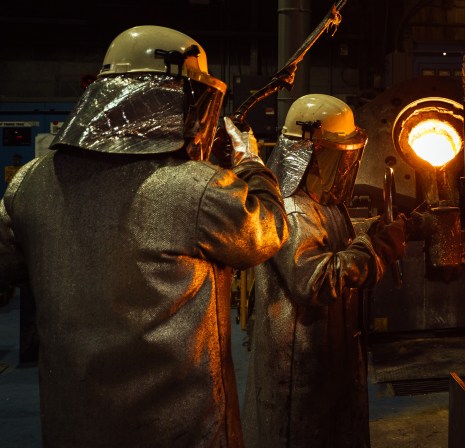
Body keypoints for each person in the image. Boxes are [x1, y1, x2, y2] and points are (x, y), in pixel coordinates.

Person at [0, 25, 288, 447]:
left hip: (72, 430)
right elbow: (267, 231)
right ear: (180, 98)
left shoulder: (29, 182)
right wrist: (251, 164)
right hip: (182, 431)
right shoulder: (196, 188)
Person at [242, 94, 408, 448]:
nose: (345, 166)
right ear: (311, 154)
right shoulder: (291, 210)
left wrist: (383, 230)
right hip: (298, 369)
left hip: (327, 359)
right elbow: (316, 279)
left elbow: (339, 242)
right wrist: (379, 248)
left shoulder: (325, 204)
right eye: (338, 156)